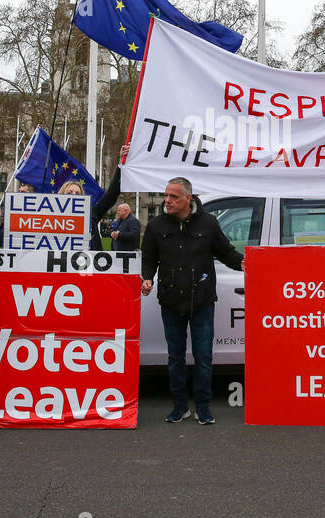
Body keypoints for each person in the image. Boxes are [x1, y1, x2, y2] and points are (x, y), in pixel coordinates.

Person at [140, 176, 245, 425]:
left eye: (173, 196)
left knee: (203, 356)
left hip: (202, 301)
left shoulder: (208, 223)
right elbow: (148, 259)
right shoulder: (156, 226)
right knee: (175, 357)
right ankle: (179, 407)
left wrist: (247, 263)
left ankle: (203, 408)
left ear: (188, 198)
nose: (167, 201)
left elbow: (227, 253)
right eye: (166, 195)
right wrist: (146, 278)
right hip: (170, 301)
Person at [59, 144, 130, 249]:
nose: (74, 196)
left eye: (77, 193)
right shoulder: (54, 220)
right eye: (69, 193)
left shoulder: (91, 213)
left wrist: (121, 163)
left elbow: (112, 195)